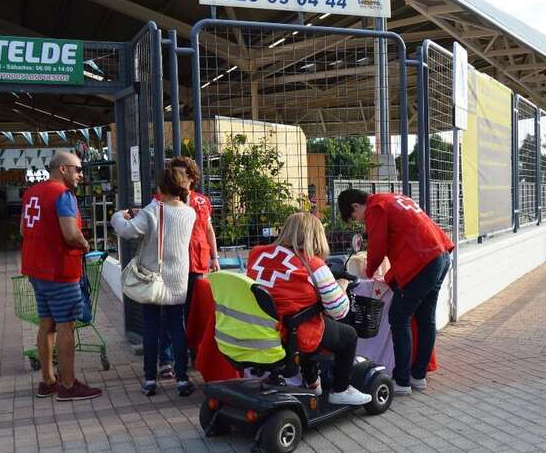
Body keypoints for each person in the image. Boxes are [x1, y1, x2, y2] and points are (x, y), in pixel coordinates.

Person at [247, 212, 372, 405]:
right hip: (290, 332)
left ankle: (312, 382)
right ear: (316, 236)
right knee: (347, 335)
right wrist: (342, 285)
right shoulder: (313, 264)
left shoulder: (257, 254)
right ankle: (341, 390)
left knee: (309, 321)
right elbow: (339, 311)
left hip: (261, 328)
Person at [337, 190, 454, 395]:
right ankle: (418, 377)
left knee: (399, 317)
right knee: (426, 318)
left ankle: (402, 380)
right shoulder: (392, 198)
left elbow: (378, 247)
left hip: (422, 261)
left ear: (355, 206)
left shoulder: (375, 208)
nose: (359, 221)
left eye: (354, 217)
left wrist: (369, 271)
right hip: (440, 255)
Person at [19, 151, 102, 401]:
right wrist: (84, 243)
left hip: (35, 269)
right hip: (60, 270)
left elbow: (24, 229)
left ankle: (47, 380)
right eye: (77, 169)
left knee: (47, 323)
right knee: (66, 326)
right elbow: (70, 233)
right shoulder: (63, 195)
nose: (80, 174)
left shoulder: (31, 193)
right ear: (63, 169)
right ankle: (67, 385)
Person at [111, 166, 197, 397]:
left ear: (160, 186)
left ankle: (150, 379)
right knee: (177, 328)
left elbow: (127, 231)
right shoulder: (190, 212)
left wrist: (119, 215)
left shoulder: (152, 210)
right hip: (178, 280)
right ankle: (182, 379)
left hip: (152, 280)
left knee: (151, 328)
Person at [155, 156, 220, 377]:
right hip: (173, 263)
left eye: (182, 174)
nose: (178, 178)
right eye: (174, 173)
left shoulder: (202, 201)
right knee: (170, 313)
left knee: (194, 313)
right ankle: (166, 359)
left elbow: (208, 229)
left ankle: (193, 354)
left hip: (197, 262)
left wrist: (215, 256)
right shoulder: (161, 199)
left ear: (191, 178)